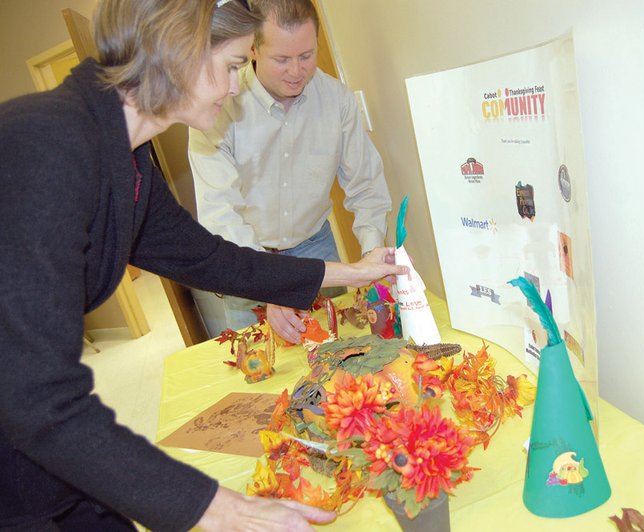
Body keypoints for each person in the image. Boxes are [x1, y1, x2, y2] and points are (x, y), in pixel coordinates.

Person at [0, 0, 406, 530]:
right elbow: (41, 399)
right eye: (236, 65)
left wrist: (351, 272)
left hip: (45, 449)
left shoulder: (128, 156)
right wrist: (221, 508)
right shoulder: (45, 143)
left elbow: (210, 259)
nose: (238, 87)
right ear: (179, 54)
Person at [188, 0, 392, 344]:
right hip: (246, 256)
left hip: (316, 249)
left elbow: (366, 184)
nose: (297, 71)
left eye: (306, 56)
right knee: (258, 368)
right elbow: (220, 212)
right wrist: (267, 283)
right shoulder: (219, 106)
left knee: (339, 355)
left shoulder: (336, 101)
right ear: (253, 48)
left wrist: (373, 255)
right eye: (282, 59)